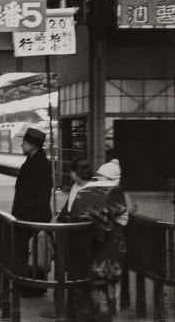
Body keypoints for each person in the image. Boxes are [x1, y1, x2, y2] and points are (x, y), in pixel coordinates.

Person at [57, 158, 128, 322]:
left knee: (85, 282)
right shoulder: (115, 193)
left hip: (82, 246)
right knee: (107, 283)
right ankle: (105, 315)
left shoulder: (84, 191)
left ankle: (83, 313)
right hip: (109, 247)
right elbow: (123, 215)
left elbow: (74, 214)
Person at [11, 127, 53, 297]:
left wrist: (37, 222)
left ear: (33, 145)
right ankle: (28, 284)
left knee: (34, 251)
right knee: (28, 252)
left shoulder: (41, 164)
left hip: (33, 216)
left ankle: (33, 287)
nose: (22, 145)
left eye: (25, 142)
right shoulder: (33, 160)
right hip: (26, 215)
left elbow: (43, 194)